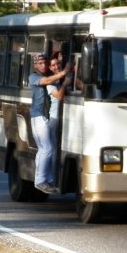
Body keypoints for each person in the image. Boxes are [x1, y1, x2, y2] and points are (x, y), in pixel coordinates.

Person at [28, 53, 70, 194]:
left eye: (45, 63)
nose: (43, 66)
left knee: (45, 150)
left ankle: (46, 179)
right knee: (47, 149)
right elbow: (46, 81)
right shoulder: (34, 77)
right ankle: (40, 181)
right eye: (40, 63)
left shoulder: (51, 78)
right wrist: (64, 73)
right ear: (35, 65)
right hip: (37, 116)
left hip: (45, 117)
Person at [46, 55, 72, 186]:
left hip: (68, 118)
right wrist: (65, 84)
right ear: (50, 68)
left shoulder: (65, 77)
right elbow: (59, 97)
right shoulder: (50, 82)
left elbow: (82, 86)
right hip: (55, 118)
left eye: (58, 64)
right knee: (54, 149)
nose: (56, 67)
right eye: (54, 65)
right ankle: (52, 178)